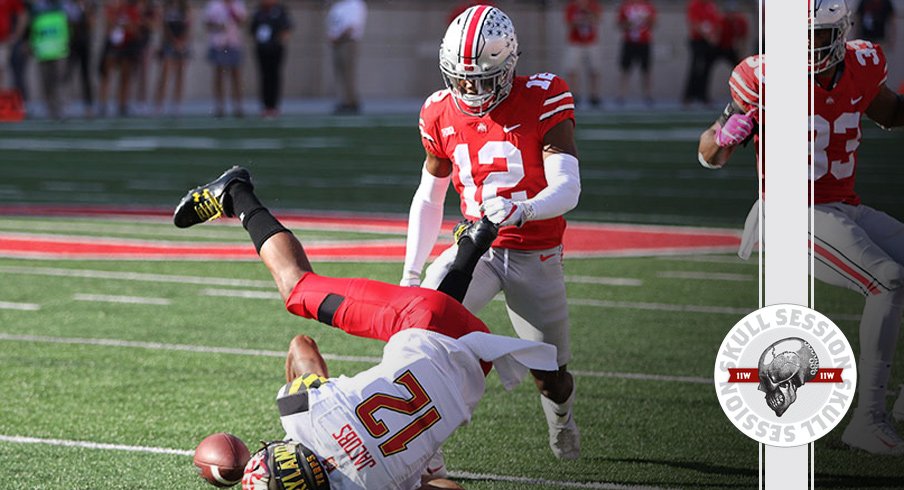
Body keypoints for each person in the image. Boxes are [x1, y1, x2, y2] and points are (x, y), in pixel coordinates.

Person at [173, 166, 558, 490]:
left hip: (474, 366)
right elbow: (301, 346)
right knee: (297, 289)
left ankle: (472, 247)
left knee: (428, 369)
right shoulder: (301, 412)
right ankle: (235, 193)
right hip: (423, 318)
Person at [697, 0, 904, 455]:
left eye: (817, 36)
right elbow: (708, 153)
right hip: (790, 212)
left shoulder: (863, 64)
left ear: (841, 34)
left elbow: (889, 113)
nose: (806, 46)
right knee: (887, 281)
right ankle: (866, 421)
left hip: (843, 207)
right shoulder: (762, 77)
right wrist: (726, 138)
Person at [401, 5, 582, 461]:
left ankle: (560, 419)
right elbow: (429, 196)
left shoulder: (545, 95)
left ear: (509, 64)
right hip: (475, 246)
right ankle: (414, 445)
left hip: (534, 251)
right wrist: (410, 274)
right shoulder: (438, 111)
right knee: (420, 333)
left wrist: (523, 210)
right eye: (458, 78)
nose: (467, 89)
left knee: (551, 376)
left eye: (479, 78)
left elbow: (568, 186)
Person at [97, 0, 141, 117]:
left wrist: (123, 25)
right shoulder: (111, 9)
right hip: (113, 45)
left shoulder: (132, 10)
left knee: (125, 77)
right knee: (106, 75)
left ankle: (123, 104)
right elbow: (109, 26)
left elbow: (134, 29)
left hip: (127, 45)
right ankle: (103, 104)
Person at [204, 0, 247, 117]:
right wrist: (219, 26)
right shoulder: (214, 4)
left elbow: (243, 22)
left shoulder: (238, 4)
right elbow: (207, 24)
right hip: (218, 43)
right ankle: (219, 106)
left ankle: (238, 106)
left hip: (234, 43)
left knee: (236, 76)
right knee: (219, 75)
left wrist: (235, 15)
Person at [28, 0, 70, 119]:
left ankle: (61, 107)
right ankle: (50, 107)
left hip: (58, 51)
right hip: (44, 51)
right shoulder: (37, 8)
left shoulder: (62, 6)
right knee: (46, 82)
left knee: (59, 81)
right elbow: (34, 28)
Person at [250, 0, 290, 118]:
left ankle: (274, 105)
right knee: (264, 76)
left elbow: (286, 28)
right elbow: (252, 30)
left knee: (274, 76)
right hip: (262, 49)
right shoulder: (258, 12)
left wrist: (280, 42)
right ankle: (266, 106)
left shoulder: (280, 11)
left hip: (276, 49)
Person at [325, 0, 366, 114]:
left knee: (348, 73)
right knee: (340, 73)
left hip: (347, 42)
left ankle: (351, 101)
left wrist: (337, 38)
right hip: (337, 43)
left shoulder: (355, 4)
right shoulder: (338, 6)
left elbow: (351, 27)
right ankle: (344, 99)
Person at [153, 0, 190, 115]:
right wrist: (173, 41)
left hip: (182, 42)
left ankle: (177, 104)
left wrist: (182, 41)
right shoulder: (166, 6)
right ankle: (159, 104)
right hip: (168, 42)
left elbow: (188, 25)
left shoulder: (184, 7)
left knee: (180, 73)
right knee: (165, 73)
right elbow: (164, 26)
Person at [615, 0, 655, 105]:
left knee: (646, 70)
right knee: (625, 69)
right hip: (629, 42)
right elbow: (619, 23)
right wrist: (630, 23)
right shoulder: (626, 5)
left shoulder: (648, 5)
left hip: (644, 42)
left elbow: (654, 22)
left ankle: (648, 95)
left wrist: (645, 19)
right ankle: (621, 95)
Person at [563, 0, 602, 108]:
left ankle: (594, 95)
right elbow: (569, 23)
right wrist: (580, 18)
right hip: (575, 42)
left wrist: (587, 12)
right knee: (572, 70)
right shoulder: (572, 6)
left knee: (594, 70)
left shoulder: (593, 5)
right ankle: (575, 94)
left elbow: (597, 20)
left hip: (591, 42)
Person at [682, 0, 720, 107]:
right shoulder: (694, 4)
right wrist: (707, 36)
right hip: (697, 40)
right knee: (695, 67)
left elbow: (716, 22)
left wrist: (714, 36)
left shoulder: (711, 5)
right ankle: (688, 96)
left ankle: (703, 96)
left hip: (709, 42)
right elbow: (694, 23)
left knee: (707, 69)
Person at [62, 0, 95, 118]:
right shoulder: (66, 5)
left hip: (84, 43)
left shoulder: (88, 5)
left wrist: (85, 11)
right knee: (67, 73)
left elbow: (91, 24)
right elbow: (64, 22)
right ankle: (66, 102)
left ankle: (88, 105)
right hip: (71, 43)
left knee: (85, 75)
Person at [711, 0, 748, 69]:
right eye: (729, 13)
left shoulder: (740, 22)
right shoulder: (721, 21)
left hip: (731, 47)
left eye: (733, 13)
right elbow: (715, 36)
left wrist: (741, 52)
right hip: (719, 46)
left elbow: (743, 38)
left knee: (739, 66)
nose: (731, 15)